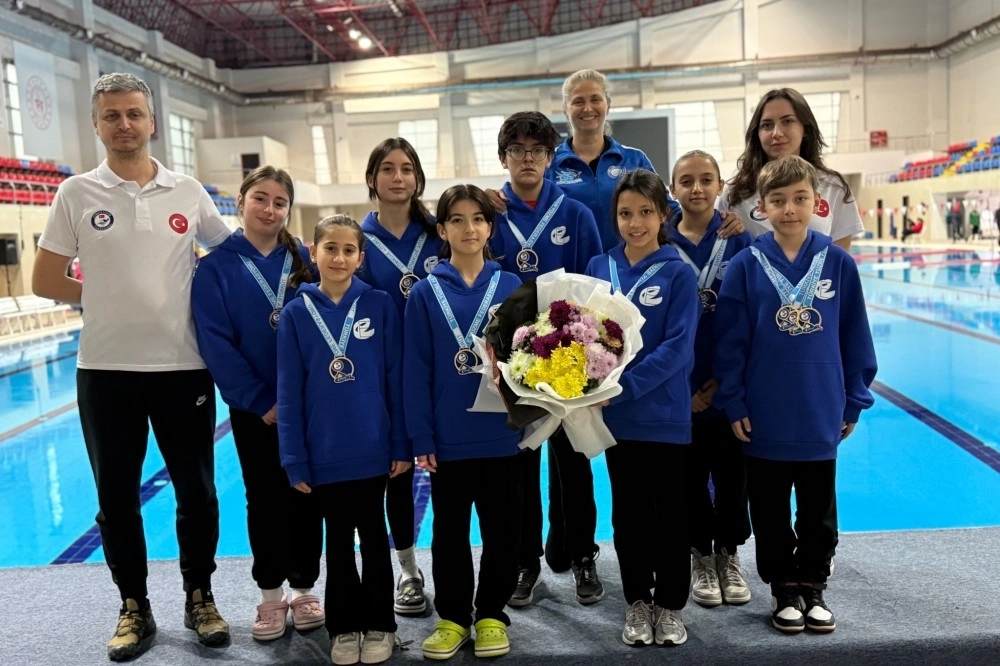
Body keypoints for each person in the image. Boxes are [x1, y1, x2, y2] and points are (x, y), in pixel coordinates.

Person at [32, 72, 231, 661]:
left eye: (134, 114)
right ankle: (134, 605)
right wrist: (107, 298)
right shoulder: (76, 193)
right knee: (116, 497)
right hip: (105, 371)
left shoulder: (187, 190)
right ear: (96, 124)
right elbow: (44, 278)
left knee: (198, 492)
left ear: (152, 122)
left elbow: (232, 260)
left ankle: (200, 596)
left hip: (183, 368)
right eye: (112, 115)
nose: (124, 124)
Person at [713, 155, 877, 634]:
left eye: (800, 199)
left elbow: (855, 336)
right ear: (761, 207)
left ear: (816, 203)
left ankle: (813, 583)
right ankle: (783, 587)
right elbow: (730, 344)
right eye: (778, 200)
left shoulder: (838, 264)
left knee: (817, 512)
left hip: (819, 410)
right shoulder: (745, 265)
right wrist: (735, 401)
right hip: (764, 413)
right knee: (768, 510)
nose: (789, 209)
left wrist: (854, 398)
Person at [192, 166, 325, 642]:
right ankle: (270, 593)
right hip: (256, 410)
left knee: (308, 495)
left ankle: (304, 588)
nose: (269, 209)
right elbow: (215, 342)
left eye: (279, 202)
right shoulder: (215, 268)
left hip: (309, 405)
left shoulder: (306, 259)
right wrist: (258, 399)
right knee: (264, 499)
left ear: (289, 209)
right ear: (241, 201)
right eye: (260, 199)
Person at [277, 214, 410, 665]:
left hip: (373, 449)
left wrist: (400, 444)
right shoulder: (297, 313)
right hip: (324, 453)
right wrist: (294, 458)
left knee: (373, 539)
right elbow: (289, 393)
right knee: (336, 543)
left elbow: (394, 379)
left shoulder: (379, 305)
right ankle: (344, 627)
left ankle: (381, 624)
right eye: (330, 248)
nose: (339, 257)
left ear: (360, 258)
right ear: (313, 253)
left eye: (348, 250)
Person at [488, 111, 605, 609]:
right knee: (519, 468)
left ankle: (581, 554)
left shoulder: (575, 214)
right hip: (511, 363)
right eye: (517, 150)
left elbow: (595, 287)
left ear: (551, 158)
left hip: (566, 361)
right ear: (504, 158)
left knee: (573, 462)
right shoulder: (489, 213)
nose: (527, 159)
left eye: (537, 150)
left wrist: (590, 355)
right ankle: (525, 561)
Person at [403, 185, 523, 660]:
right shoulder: (424, 293)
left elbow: (531, 363)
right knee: (449, 534)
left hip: (504, 435)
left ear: (490, 228)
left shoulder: (513, 287)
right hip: (449, 437)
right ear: (442, 229)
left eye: (478, 218)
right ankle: (453, 616)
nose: (468, 228)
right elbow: (415, 370)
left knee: (503, 531)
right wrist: (421, 435)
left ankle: (491, 613)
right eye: (457, 219)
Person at [585, 169, 700, 647]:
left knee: (671, 515)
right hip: (617, 419)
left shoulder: (679, 273)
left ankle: (670, 606)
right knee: (629, 515)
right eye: (626, 213)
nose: (635, 223)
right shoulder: (597, 267)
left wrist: (625, 385)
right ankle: (637, 600)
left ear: (664, 215)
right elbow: (582, 334)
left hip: (665, 416)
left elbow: (678, 347)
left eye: (646, 212)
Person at [665, 151, 754, 608]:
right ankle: (701, 553)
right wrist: (681, 389)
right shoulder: (659, 242)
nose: (696, 188)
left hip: (728, 382)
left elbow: (749, 317)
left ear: (721, 186)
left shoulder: (739, 240)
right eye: (686, 181)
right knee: (689, 476)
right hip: (678, 385)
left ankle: (729, 553)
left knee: (733, 476)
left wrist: (726, 381)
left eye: (705, 180)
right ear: (673, 189)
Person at [360, 137, 443, 616]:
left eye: (407, 168)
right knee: (394, 474)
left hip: (437, 375)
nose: (398, 177)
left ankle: (454, 568)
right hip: (379, 378)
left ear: (418, 178)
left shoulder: (438, 234)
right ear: (372, 178)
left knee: (446, 473)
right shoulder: (357, 240)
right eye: (388, 168)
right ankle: (407, 569)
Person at [720, 88, 864, 250]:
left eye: (787, 121)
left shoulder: (834, 187)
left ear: (805, 129)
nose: (776, 133)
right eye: (767, 125)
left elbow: (840, 258)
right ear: (757, 134)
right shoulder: (735, 193)